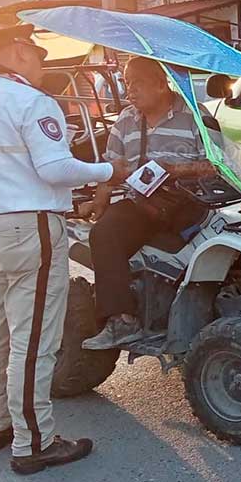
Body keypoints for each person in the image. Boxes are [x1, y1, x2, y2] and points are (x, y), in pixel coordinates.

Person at [0, 25, 125, 475]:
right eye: (37, 56)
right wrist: (106, 170)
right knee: (33, 339)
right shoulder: (31, 102)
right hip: (28, 229)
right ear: (17, 53)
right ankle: (33, 442)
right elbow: (56, 168)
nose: (41, 65)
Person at [80, 56, 214, 350]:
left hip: (189, 203)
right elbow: (111, 168)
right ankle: (122, 320)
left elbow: (218, 166)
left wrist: (175, 169)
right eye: (127, 83)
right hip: (141, 205)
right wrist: (97, 204)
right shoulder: (126, 120)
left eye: (138, 82)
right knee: (104, 233)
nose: (131, 90)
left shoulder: (195, 114)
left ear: (160, 83)